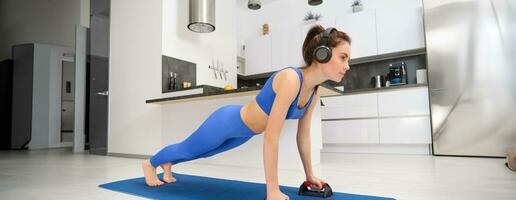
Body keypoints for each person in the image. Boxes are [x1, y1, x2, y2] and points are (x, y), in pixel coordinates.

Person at [141, 24, 351, 200]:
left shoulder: (314, 92)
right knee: (189, 148)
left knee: (203, 152)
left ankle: (167, 164)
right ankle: (150, 164)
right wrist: (272, 191)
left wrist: (310, 176)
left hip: (244, 133)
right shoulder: (291, 78)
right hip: (227, 122)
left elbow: (303, 137)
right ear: (321, 54)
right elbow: (271, 136)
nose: (347, 65)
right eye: (343, 57)